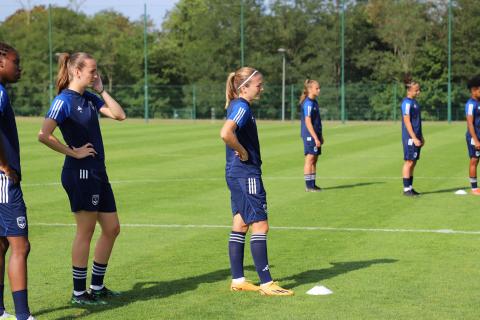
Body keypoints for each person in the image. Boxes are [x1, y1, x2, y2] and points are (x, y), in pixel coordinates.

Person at [38, 52, 126, 305]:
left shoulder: (88, 97)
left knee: (112, 228)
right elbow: (43, 134)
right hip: (80, 173)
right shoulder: (63, 101)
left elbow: (120, 115)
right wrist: (73, 152)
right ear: (77, 71)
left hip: (98, 171)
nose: (95, 75)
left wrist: (101, 90)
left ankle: (96, 286)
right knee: (85, 231)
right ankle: (79, 293)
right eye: (92, 71)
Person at [220, 67, 293, 296]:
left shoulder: (237, 105)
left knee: (240, 223)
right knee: (260, 225)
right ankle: (266, 283)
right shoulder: (241, 106)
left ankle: (239, 280)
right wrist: (242, 151)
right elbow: (226, 133)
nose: (261, 88)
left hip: (236, 173)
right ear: (244, 87)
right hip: (246, 174)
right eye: (258, 85)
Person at [0, 42, 35, 320]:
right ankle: (23, 316)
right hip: (3, 181)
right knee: (20, 246)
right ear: (1, 63)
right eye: (16, 61)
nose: (19, 67)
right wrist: (3, 165)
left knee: (1, 244)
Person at [401, 77, 424, 196]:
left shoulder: (415, 102)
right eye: (416, 90)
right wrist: (414, 138)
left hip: (416, 136)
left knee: (413, 162)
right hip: (410, 137)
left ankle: (410, 187)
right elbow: (407, 122)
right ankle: (406, 189)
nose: (418, 92)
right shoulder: (406, 103)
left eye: (419, 90)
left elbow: (417, 122)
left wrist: (421, 137)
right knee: (409, 161)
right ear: (409, 90)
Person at [299, 79, 323, 192]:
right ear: (310, 89)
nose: (319, 90)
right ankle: (308, 186)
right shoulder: (308, 103)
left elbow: (317, 121)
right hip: (309, 135)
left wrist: (320, 135)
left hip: (315, 135)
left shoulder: (315, 102)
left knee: (314, 159)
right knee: (310, 158)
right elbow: (308, 122)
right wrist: (315, 137)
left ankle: (313, 184)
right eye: (317, 88)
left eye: (319, 88)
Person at [464, 75, 480, 195]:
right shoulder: (470, 105)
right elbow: (470, 124)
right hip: (474, 137)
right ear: (474, 90)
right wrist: (476, 140)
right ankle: (474, 188)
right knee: (474, 160)